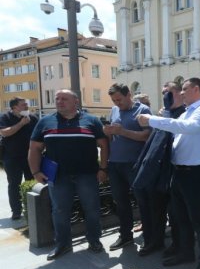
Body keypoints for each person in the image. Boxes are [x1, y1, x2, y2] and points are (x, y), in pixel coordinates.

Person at [137, 77, 200, 269]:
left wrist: (151, 120)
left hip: (195, 173)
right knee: (180, 217)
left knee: (198, 219)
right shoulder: (188, 110)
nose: (181, 93)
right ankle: (187, 253)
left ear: (196, 89)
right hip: (179, 172)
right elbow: (175, 131)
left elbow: (185, 128)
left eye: (185, 90)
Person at [28, 90, 108, 260]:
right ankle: (63, 244)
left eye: (64, 99)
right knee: (59, 210)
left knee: (92, 209)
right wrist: (36, 171)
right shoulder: (45, 122)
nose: (59, 101)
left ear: (75, 101)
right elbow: (35, 148)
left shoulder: (91, 120)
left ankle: (94, 240)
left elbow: (104, 145)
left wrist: (103, 169)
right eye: (57, 99)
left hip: (87, 175)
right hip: (58, 176)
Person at [133, 81, 186, 257]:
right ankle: (154, 241)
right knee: (154, 209)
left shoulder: (186, 114)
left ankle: (179, 246)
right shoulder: (163, 114)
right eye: (163, 93)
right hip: (156, 169)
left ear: (180, 94)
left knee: (176, 212)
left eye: (168, 93)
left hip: (174, 170)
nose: (165, 96)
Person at [103, 84, 151, 251]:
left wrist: (122, 132)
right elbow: (112, 134)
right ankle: (125, 236)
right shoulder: (114, 110)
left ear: (129, 95)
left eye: (119, 99)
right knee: (120, 202)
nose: (117, 103)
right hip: (115, 164)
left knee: (143, 201)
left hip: (135, 163)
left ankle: (149, 236)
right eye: (114, 100)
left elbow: (147, 136)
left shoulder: (143, 110)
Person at [0, 97, 38, 220]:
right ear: (14, 107)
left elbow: (40, 134)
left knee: (32, 183)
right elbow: (5, 132)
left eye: (26, 104)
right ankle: (16, 211)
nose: (27, 106)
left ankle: (32, 209)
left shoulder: (32, 118)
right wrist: (21, 124)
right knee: (14, 184)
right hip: (11, 158)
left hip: (30, 156)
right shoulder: (5, 117)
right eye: (23, 105)